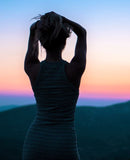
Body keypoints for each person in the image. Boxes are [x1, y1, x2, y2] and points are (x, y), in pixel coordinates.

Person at [22, 11, 87, 160]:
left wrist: (34, 30)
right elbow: (82, 33)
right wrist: (64, 20)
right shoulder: (74, 69)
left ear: (41, 41)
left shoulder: (33, 69)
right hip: (64, 143)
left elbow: (32, 42)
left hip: (35, 142)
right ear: (64, 41)